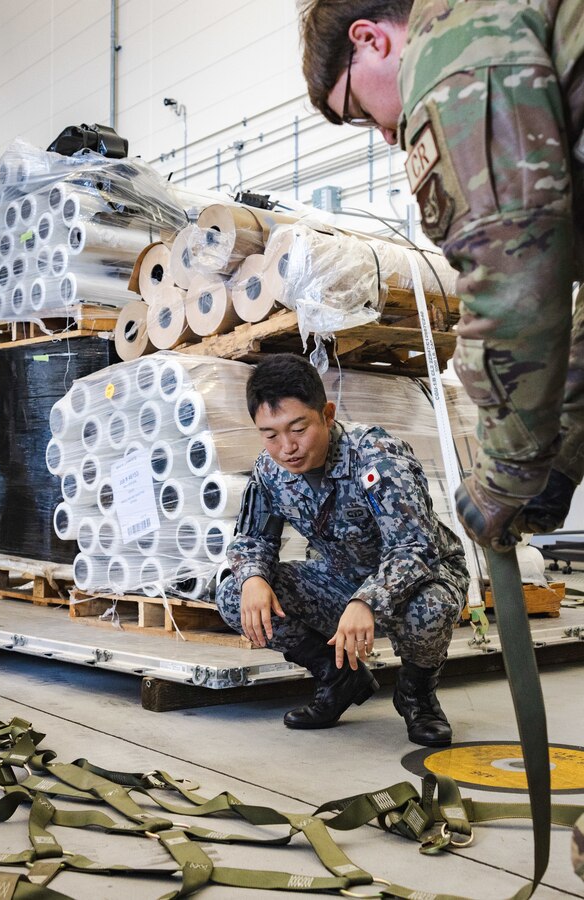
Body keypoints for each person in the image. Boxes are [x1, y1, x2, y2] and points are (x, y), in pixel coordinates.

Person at [298, 0, 584, 553]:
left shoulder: (451, 50)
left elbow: (513, 286)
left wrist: (500, 482)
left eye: (358, 110)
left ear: (370, 40)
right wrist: (557, 461)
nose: (383, 134)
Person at [216, 353, 469, 746]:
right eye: (270, 434)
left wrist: (367, 600)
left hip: (421, 578)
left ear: (327, 414)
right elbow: (253, 539)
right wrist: (252, 577)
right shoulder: (269, 470)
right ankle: (339, 678)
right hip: (341, 579)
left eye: (298, 428)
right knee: (235, 594)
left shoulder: (377, 455)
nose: (287, 447)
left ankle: (417, 694)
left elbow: (415, 547)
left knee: (430, 608)